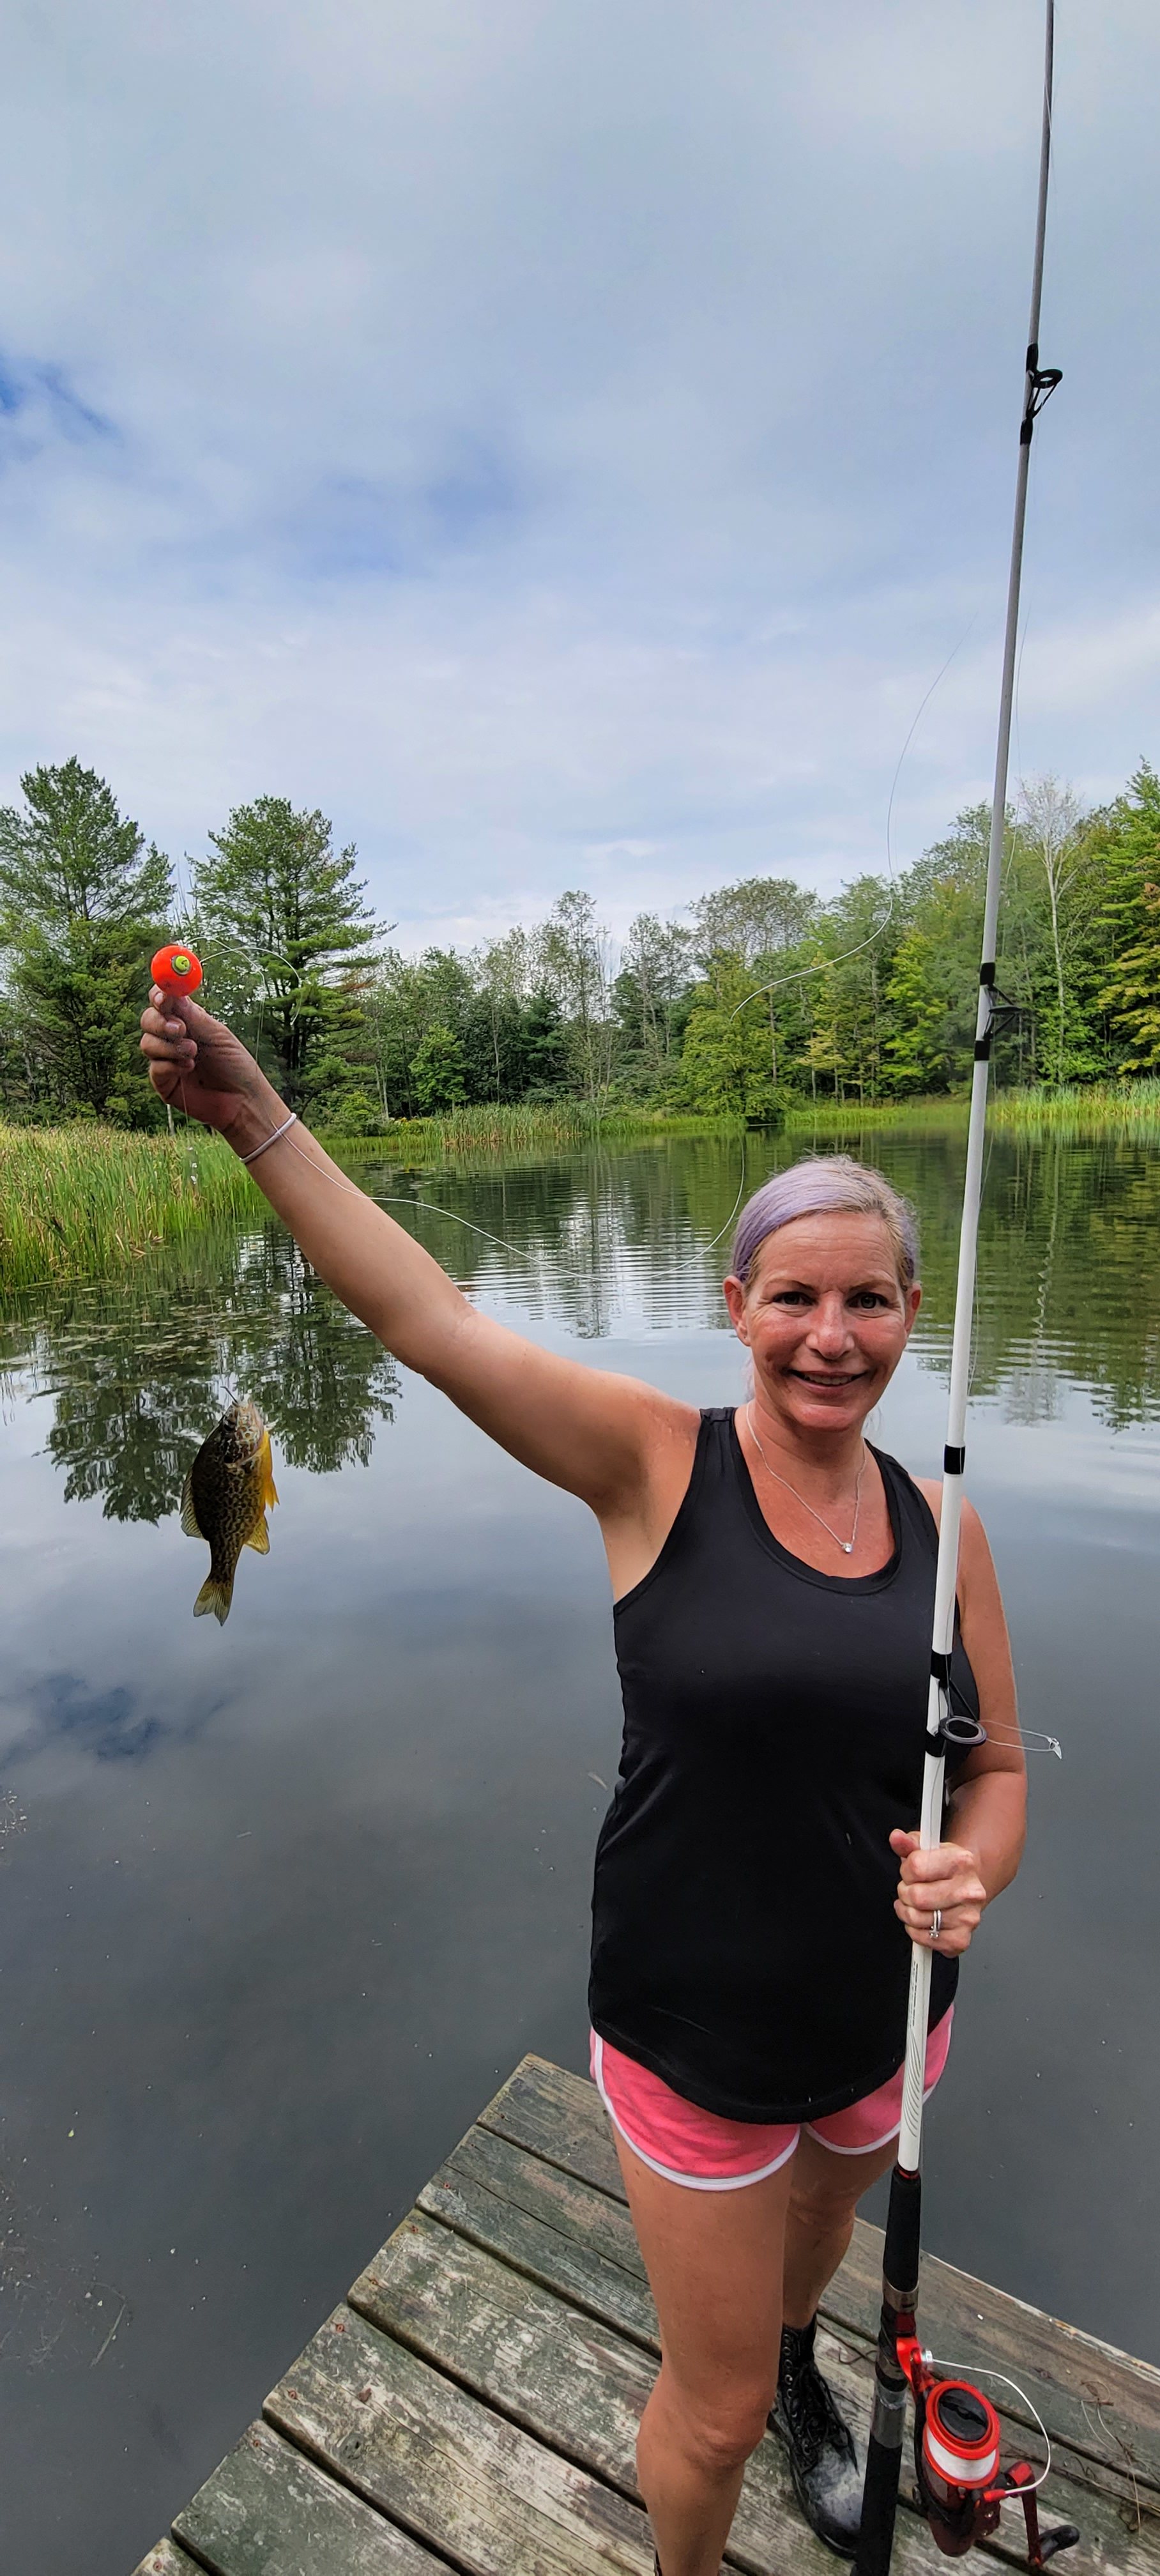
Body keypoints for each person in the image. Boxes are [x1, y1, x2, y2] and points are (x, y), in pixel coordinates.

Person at [141, 988, 1026, 2576]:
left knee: (808, 2268)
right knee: (708, 2410)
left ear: (912, 1312)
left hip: (882, 2022)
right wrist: (254, 1118)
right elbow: (433, 1322)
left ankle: (802, 2370)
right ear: (736, 1302)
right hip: (690, 2023)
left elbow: (1003, 1771)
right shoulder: (649, 1461)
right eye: (796, 1300)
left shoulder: (945, 1523)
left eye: (872, 1303)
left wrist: (980, 1870)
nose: (834, 1338)